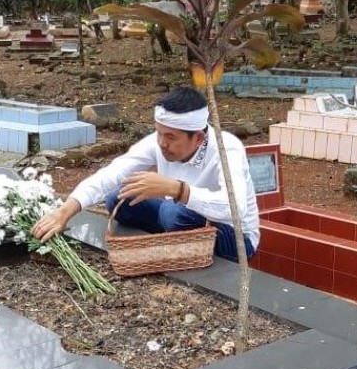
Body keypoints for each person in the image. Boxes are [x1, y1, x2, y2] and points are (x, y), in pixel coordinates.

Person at [31, 86, 259, 262]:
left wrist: (177, 189)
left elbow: (235, 208)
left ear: (198, 138)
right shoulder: (158, 142)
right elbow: (112, 173)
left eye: (170, 137)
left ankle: (171, 240)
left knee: (174, 213)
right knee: (119, 195)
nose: (161, 143)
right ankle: (169, 240)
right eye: (158, 133)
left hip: (233, 237)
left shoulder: (227, 149)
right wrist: (65, 211)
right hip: (180, 221)